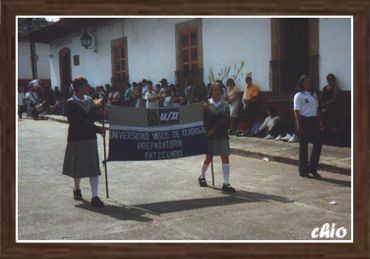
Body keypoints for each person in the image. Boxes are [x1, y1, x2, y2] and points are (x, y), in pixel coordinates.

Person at [62, 76, 106, 207]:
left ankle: (95, 196)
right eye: (85, 86)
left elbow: (91, 117)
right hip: (77, 138)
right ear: (78, 87)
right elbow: (78, 122)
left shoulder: (89, 101)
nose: (88, 88)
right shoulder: (71, 103)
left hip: (90, 137)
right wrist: (98, 129)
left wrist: (101, 114)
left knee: (93, 166)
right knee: (78, 166)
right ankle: (77, 188)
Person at [199, 82, 235, 193]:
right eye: (214, 90)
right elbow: (202, 120)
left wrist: (215, 129)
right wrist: (206, 130)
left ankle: (226, 183)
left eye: (218, 90)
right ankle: (202, 176)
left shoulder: (225, 105)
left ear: (221, 92)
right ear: (211, 92)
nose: (216, 92)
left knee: (225, 157)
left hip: (221, 134)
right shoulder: (206, 105)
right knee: (208, 158)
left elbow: (226, 120)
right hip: (209, 135)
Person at [294, 75, 323, 178]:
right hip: (303, 120)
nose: (308, 83)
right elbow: (296, 111)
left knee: (318, 144)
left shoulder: (314, 94)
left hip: (314, 120)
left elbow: (317, 108)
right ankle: (303, 170)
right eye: (306, 82)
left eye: (309, 82)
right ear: (301, 83)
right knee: (303, 147)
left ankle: (313, 168)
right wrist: (298, 124)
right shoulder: (299, 95)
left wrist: (320, 121)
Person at [320, 73, 341, 141]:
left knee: (333, 123)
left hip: (333, 108)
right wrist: (322, 104)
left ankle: (334, 139)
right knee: (325, 122)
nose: (329, 80)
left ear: (334, 80)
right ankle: (327, 138)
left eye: (331, 79)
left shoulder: (335, 88)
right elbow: (321, 97)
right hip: (325, 108)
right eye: (328, 79)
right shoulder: (325, 88)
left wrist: (327, 104)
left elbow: (334, 98)